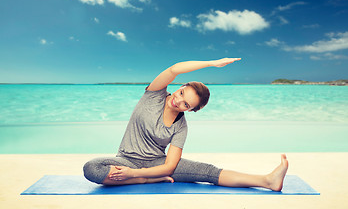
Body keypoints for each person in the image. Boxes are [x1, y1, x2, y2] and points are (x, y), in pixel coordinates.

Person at [83, 58, 288, 191]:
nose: (178, 101)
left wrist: (134, 174)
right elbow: (174, 69)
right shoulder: (153, 95)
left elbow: (170, 166)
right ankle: (146, 181)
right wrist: (211, 63)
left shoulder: (181, 127)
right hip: (126, 159)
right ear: (180, 87)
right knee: (92, 169)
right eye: (181, 93)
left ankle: (267, 181)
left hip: (158, 165)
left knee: (208, 172)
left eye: (186, 104)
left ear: (190, 110)